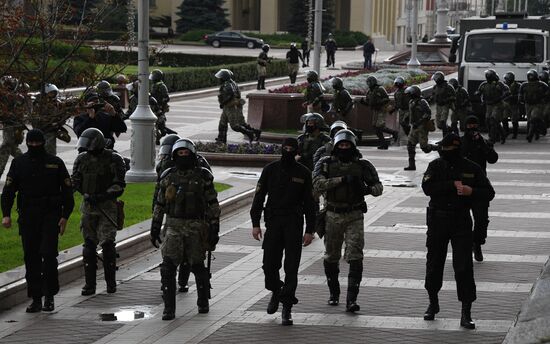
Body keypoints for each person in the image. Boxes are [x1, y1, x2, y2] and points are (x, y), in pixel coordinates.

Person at [421, 133, 495, 330]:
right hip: (437, 220)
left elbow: (489, 192)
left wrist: (472, 192)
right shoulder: (436, 166)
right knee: (434, 263)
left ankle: (466, 312)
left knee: (463, 267)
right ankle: (433, 302)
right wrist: (449, 186)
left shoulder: (471, 167)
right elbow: (427, 187)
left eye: (449, 149)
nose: (446, 153)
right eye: (444, 150)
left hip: (461, 220)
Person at [1, 129, 74, 313]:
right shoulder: (19, 163)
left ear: (43, 143)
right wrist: (6, 214)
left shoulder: (55, 163)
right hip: (28, 216)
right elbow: (9, 191)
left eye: (37, 143)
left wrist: (65, 217)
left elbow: (67, 193)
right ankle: (35, 298)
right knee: (31, 257)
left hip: (50, 215)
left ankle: (49, 296)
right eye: (31, 143)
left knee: (49, 255)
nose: (34, 146)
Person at [314, 129, 383, 312]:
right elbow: (317, 185)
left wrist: (365, 189)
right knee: (331, 255)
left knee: (355, 255)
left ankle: (351, 299)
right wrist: (341, 180)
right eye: (341, 145)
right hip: (332, 215)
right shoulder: (326, 164)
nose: (344, 148)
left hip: (354, 215)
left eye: (347, 145)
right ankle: (333, 293)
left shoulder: (363, 166)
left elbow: (378, 187)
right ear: (336, 146)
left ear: (353, 146)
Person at [150, 139, 220, 319]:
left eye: (185, 153)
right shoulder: (168, 176)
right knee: (168, 267)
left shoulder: (203, 176)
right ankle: (169, 308)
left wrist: (214, 227)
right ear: (174, 155)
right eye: (179, 153)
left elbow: (212, 202)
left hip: (196, 226)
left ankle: (203, 301)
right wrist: (155, 226)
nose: (183, 156)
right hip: (173, 225)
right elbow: (159, 203)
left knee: (197, 265)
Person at [250, 137, 315, 326]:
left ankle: (287, 307)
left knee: (291, 267)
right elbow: (259, 197)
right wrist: (255, 223)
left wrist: (310, 229)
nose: (288, 151)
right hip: (274, 222)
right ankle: (276, 290)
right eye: (285, 148)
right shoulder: (270, 170)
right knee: (269, 265)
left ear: (296, 151)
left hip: (293, 224)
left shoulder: (303, 173)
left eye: (291, 148)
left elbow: (310, 204)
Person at [72, 128, 126, 296]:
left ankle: (111, 282)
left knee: (108, 244)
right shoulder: (81, 159)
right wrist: (86, 194)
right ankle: (90, 284)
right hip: (89, 207)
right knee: (89, 245)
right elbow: (76, 181)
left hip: (107, 207)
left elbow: (120, 184)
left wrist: (103, 195)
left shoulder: (114, 159)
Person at [460, 116, 498, 262]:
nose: (472, 128)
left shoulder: (484, 142)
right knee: (461, 221)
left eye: (475, 125)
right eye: (469, 125)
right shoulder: (460, 142)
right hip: (462, 186)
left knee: (481, 220)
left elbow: (493, 159)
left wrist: (482, 143)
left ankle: (477, 243)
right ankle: (465, 246)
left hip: (479, 186)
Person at [215, 69, 261, 144]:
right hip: (229, 106)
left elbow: (230, 96)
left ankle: (250, 133)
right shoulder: (231, 83)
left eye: (220, 78)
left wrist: (222, 103)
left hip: (231, 107)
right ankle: (221, 139)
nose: (219, 79)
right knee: (223, 124)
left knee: (235, 126)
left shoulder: (228, 85)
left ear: (224, 78)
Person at [404, 85, 437, 171]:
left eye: (410, 93)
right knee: (410, 145)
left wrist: (419, 122)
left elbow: (428, 114)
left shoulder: (422, 102)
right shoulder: (411, 102)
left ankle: (438, 148)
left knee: (424, 148)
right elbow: (410, 113)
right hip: (413, 127)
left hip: (422, 127)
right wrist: (406, 119)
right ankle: (412, 165)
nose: (409, 95)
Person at [361, 76, 398, 150]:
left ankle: (394, 133)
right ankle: (383, 143)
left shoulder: (380, 89)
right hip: (375, 110)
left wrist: (379, 102)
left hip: (381, 109)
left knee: (379, 126)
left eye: (369, 82)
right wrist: (363, 102)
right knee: (375, 127)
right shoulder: (369, 91)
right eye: (367, 82)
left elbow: (386, 99)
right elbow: (369, 102)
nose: (368, 84)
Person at [476, 69, 509, 144]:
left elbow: (507, 91)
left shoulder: (498, 84)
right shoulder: (484, 84)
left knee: (493, 121)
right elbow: (479, 92)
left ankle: (492, 138)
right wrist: (478, 94)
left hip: (498, 104)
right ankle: (502, 135)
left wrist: (500, 98)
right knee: (488, 121)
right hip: (489, 105)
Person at [0, 75, 25, 177]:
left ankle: (28, 165)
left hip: (12, 125)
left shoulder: (16, 98)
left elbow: (18, 113)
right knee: (11, 148)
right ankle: (29, 165)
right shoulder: (5, 97)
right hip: (9, 125)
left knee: (6, 147)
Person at [519, 69, 548, 142]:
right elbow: (521, 93)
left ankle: (530, 135)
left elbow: (548, 92)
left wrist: (543, 98)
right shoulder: (524, 85)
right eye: (530, 75)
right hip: (528, 104)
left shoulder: (541, 84)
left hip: (538, 104)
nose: (531, 77)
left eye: (532, 75)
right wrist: (521, 99)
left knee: (533, 118)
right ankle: (536, 133)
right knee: (529, 120)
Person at [149, 69, 172, 145]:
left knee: (160, 121)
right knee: (155, 122)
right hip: (153, 106)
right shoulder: (154, 85)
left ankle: (162, 132)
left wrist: (161, 104)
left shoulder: (162, 86)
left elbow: (166, 97)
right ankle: (157, 136)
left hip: (160, 107)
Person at [431, 72, 456, 137]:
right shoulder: (435, 87)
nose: (435, 80)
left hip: (445, 105)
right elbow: (433, 95)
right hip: (438, 106)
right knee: (439, 125)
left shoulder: (448, 87)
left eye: (436, 79)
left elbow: (454, 96)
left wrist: (447, 100)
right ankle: (449, 129)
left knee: (443, 121)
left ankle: (444, 137)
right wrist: (432, 98)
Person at [503, 72, 522, 139]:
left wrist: (512, 97)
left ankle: (515, 134)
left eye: (506, 79)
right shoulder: (503, 85)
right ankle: (506, 132)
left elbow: (520, 94)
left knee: (514, 120)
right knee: (504, 118)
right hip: (505, 104)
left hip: (514, 104)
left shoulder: (518, 85)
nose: (505, 80)